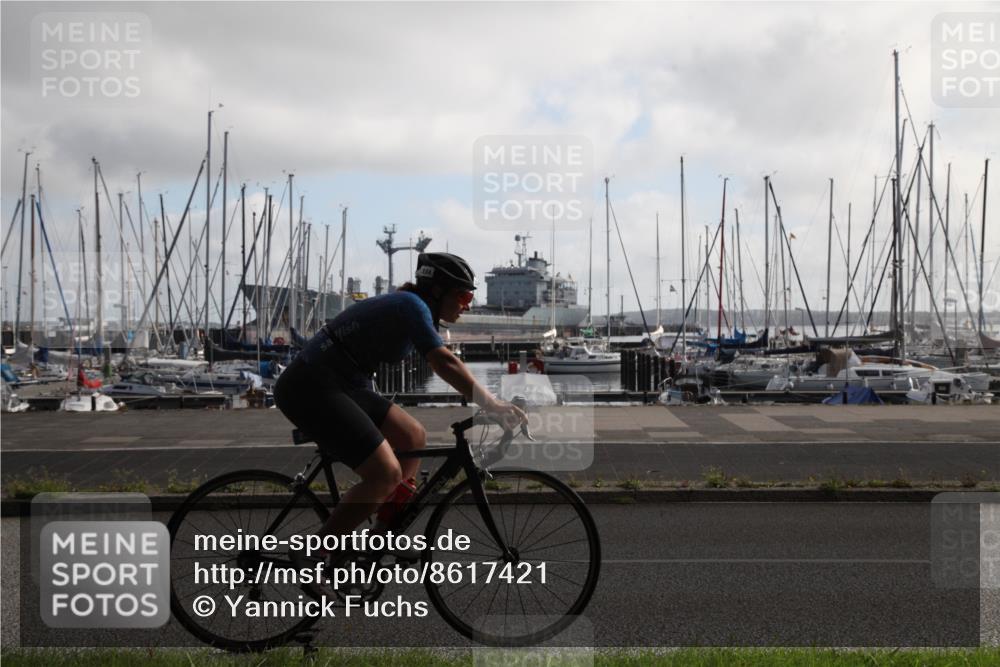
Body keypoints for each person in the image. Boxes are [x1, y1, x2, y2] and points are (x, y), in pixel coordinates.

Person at [273, 252, 525, 573]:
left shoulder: (415, 308)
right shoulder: (411, 305)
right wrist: (493, 404)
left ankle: (382, 536)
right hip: (310, 385)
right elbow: (443, 362)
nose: (467, 305)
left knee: (412, 436)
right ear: (438, 291)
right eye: (463, 296)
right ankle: (314, 554)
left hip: (344, 384)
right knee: (385, 473)